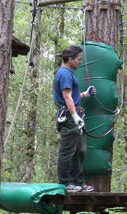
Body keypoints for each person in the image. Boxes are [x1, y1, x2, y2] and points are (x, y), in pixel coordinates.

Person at [53, 46, 96, 192]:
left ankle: (78, 182)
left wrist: (85, 94)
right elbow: (66, 96)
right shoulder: (64, 74)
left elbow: (72, 96)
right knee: (67, 151)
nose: (80, 62)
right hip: (70, 117)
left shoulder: (69, 74)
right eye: (78, 59)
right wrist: (74, 115)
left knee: (79, 150)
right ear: (70, 59)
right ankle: (65, 182)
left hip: (74, 114)